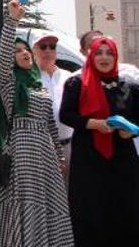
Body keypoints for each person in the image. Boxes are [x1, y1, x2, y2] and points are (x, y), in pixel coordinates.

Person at [0, 0, 73, 247]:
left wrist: (59, 157)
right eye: (18, 51)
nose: (24, 53)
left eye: (25, 49)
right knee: (26, 203)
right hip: (21, 149)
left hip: (46, 153)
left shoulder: (37, 84)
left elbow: (50, 123)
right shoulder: (9, 82)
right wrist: (12, 21)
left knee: (51, 203)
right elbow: (3, 57)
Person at [59, 36, 139, 246]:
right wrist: (95, 124)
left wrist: (129, 132)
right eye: (99, 53)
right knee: (91, 212)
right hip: (89, 160)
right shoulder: (77, 83)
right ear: (90, 55)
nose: (104, 57)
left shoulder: (129, 85)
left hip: (122, 159)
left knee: (125, 210)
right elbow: (66, 115)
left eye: (109, 53)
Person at [33, 35, 74, 177]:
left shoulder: (68, 77)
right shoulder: (29, 78)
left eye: (52, 47)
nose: (48, 50)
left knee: (71, 194)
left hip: (69, 146)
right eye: (43, 47)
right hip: (42, 149)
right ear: (34, 51)